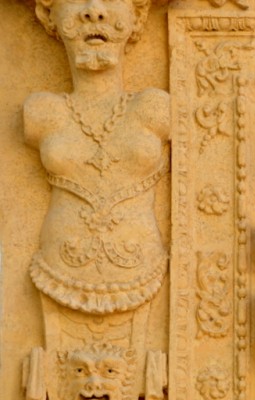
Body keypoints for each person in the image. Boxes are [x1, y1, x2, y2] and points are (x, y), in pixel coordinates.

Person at [24, 0, 170, 316]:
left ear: (139, 15)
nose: (94, 10)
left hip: (144, 270)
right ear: (47, 14)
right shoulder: (41, 112)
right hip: (57, 268)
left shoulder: (156, 108)